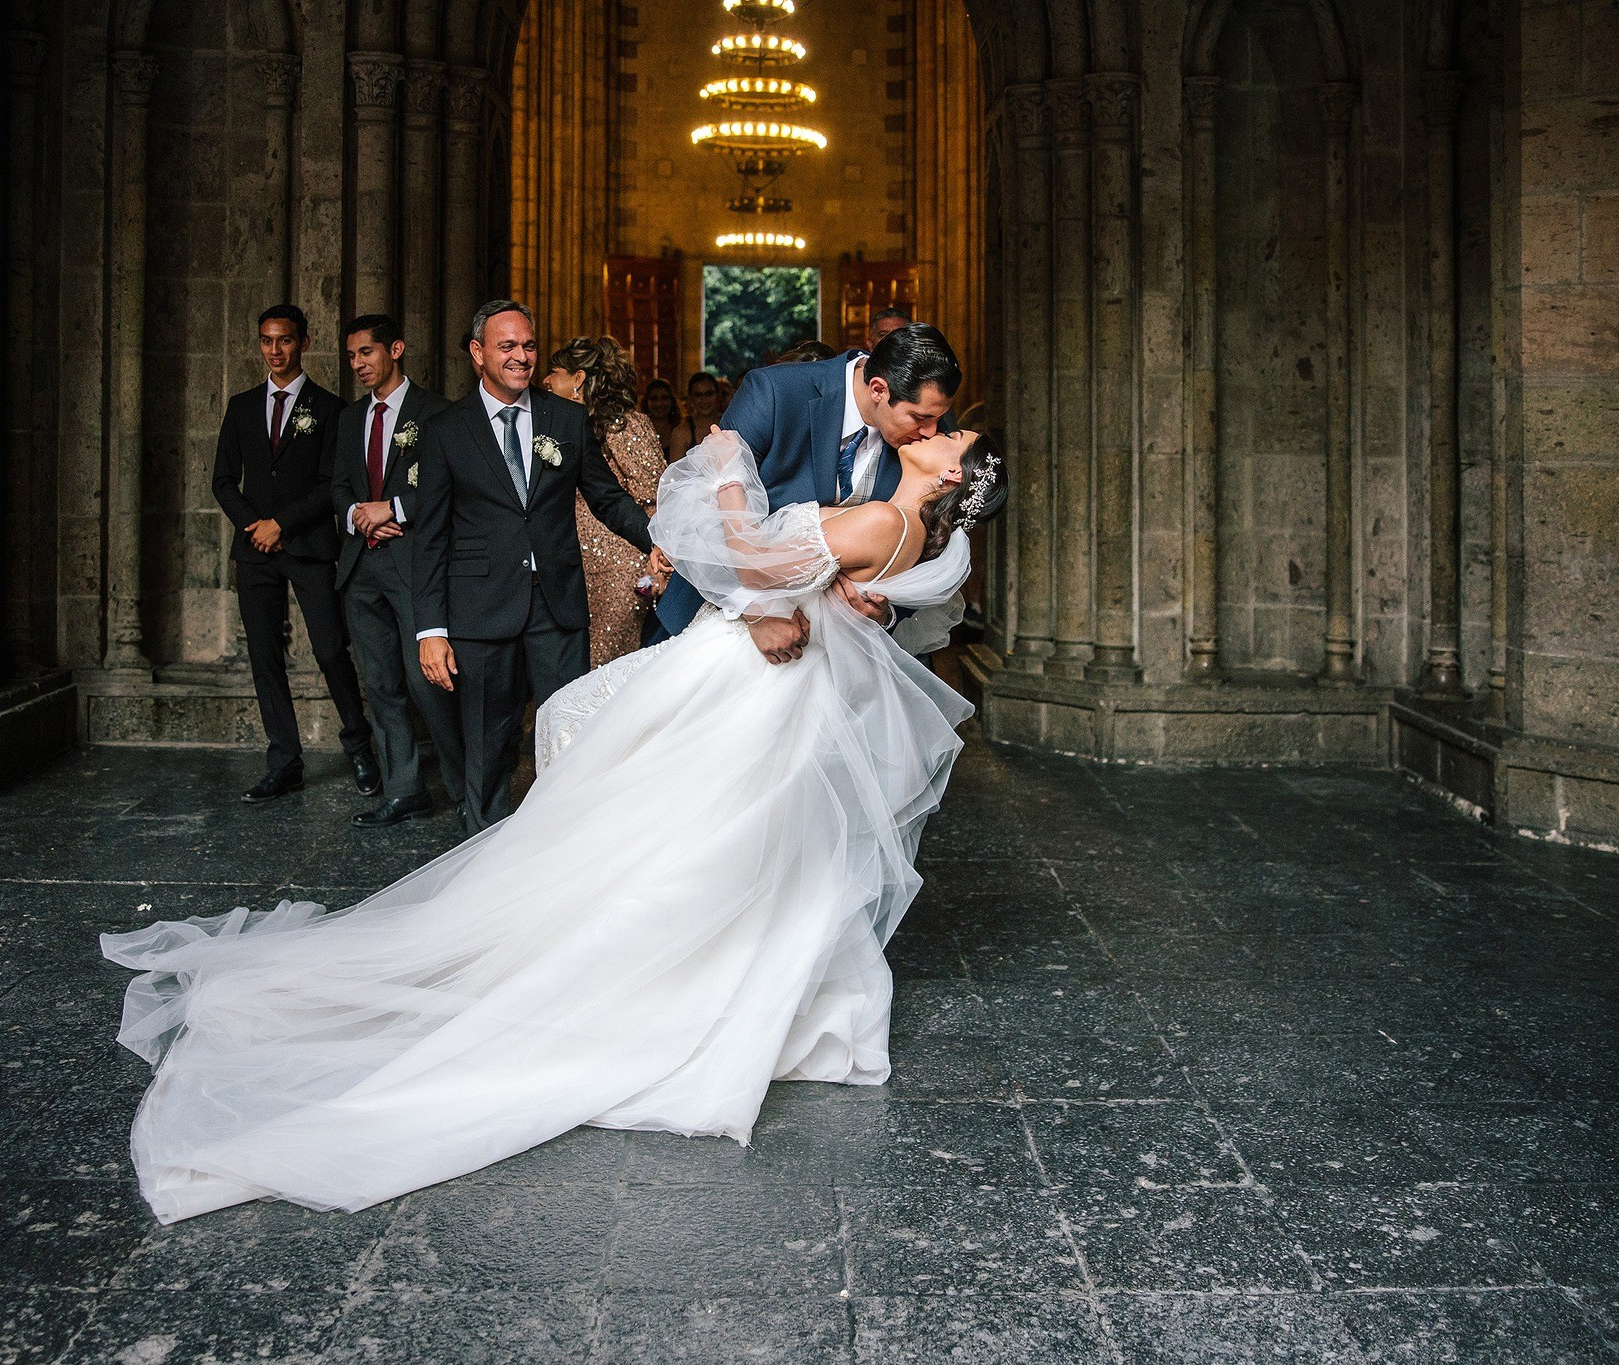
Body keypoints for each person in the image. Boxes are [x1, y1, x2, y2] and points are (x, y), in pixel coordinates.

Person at [100, 421, 1004, 1223]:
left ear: (954, 478)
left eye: (952, 440)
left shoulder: (890, 518)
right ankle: (695, 973)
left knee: (657, 826)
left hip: (749, 684)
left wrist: (731, 481)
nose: (938, 429)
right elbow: (829, 583)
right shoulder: (896, 523)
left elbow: (758, 566)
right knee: (691, 828)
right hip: (768, 682)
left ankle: (628, 982)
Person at [406, 301, 658, 834]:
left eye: (528, 346)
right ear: (478, 354)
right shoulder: (447, 430)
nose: (522, 357)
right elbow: (429, 538)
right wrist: (431, 629)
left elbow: (608, 499)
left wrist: (661, 540)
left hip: (557, 606)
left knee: (569, 740)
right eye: (507, 347)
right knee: (488, 748)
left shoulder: (564, 419)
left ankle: (560, 858)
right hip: (479, 612)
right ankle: (483, 867)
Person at [654, 323, 963, 661]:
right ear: (878, 389)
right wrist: (755, 612)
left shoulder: (930, 438)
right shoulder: (776, 392)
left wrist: (885, 613)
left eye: (938, 419)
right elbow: (701, 505)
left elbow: (929, 545)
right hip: (721, 622)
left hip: (831, 655)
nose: (932, 431)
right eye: (920, 417)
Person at [210, 304, 373, 804]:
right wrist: (255, 527)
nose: (274, 350)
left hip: (307, 547)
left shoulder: (330, 410)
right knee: (264, 658)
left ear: (303, 343)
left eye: (284, 340)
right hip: (255, 550)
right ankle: (284, 761)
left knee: (329, 649)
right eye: (266, 340)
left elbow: (332, 484)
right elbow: (222, 481)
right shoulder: (240, 406)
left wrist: (282, 524)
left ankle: (361, 748)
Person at [330, 313, 464, 829]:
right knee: (381, 683)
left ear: (396, 350)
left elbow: (449, 484)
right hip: (361, 565)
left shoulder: (436, 413)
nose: (359, 364)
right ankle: (404, 790)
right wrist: (358, 516)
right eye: (352, 356)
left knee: (427, 681)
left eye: (366, 352)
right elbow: (339, 486)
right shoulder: (349, 419)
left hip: (414, 565)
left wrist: (395, 509)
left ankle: (464, 788)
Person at [542, 337, 668, 667]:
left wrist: (654, 564)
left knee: (606, 666)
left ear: (578, 380)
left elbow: (655, 497)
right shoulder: (558, 427)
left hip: (621, 573)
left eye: (554, 371)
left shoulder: (625, 425)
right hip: (574, 571)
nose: (545, 380)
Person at [665, 370, 723, 462]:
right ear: (690, 399)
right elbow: (675, 473)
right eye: (698, 395)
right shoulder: (681, 433)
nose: (704, 400)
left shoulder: (728, 425)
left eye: (709, 394)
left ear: (718, 395)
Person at [640, 377, 680, 446]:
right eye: (654, 399)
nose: (659, 404)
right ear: (646, 402)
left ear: (672, 401)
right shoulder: (639, 430)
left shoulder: (681, 428)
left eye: (664, 398)